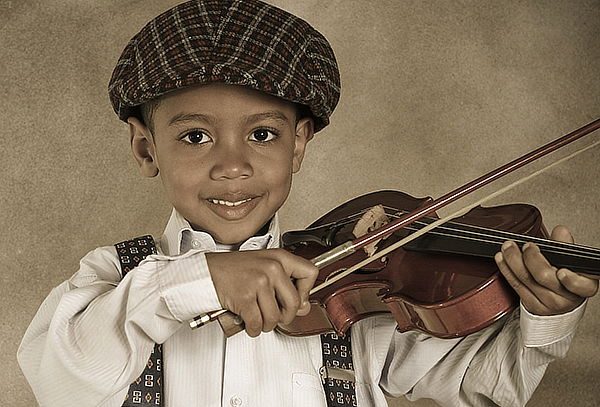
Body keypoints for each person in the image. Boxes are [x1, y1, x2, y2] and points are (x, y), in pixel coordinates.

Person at [17, 1, 598, 406]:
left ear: (298, 145)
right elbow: (63, 382)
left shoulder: (354, 292)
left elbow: (483, 385)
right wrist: (196, 281)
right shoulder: (113, 281)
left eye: (263, 134)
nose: (233, 164)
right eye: (195, 136)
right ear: (147, 150)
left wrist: (543, 320)